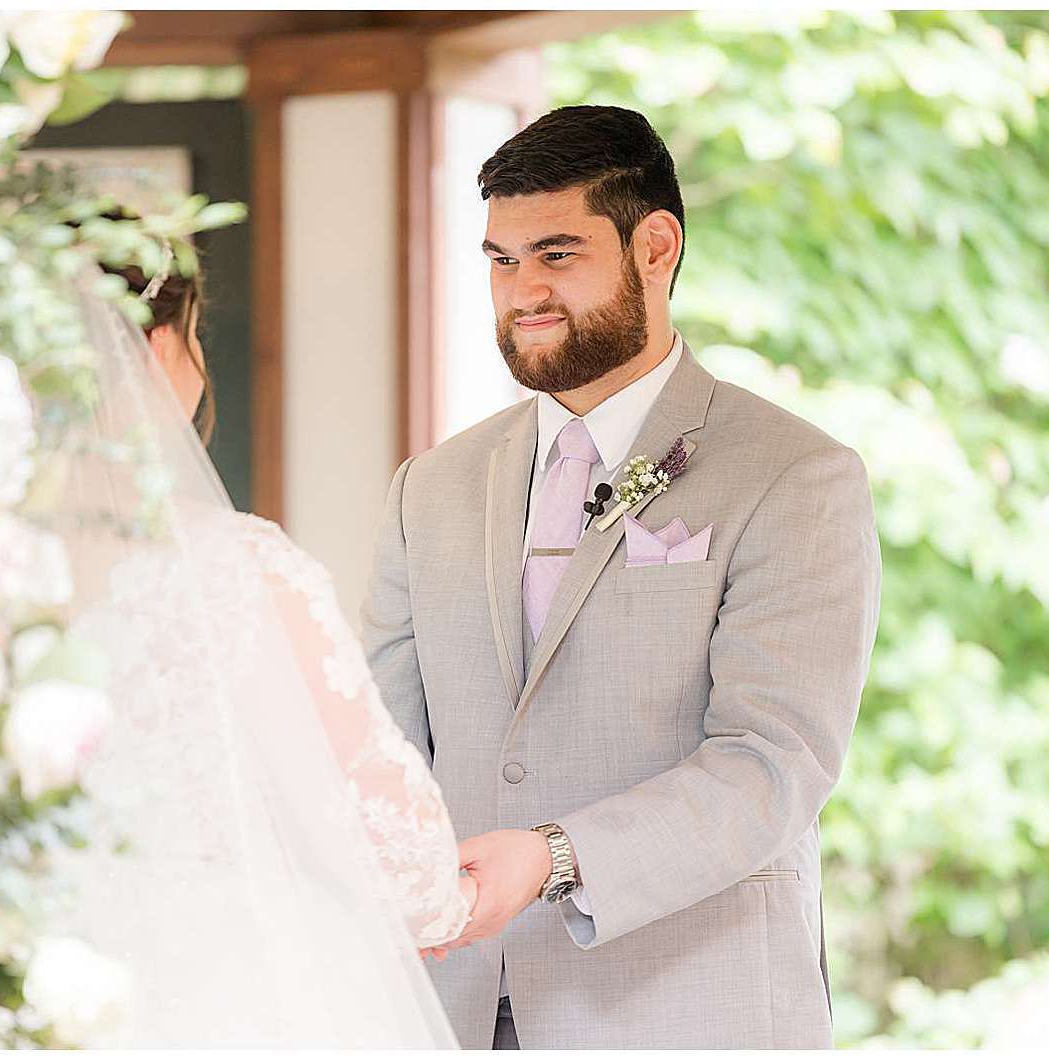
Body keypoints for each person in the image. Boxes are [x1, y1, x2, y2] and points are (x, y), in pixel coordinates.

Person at [359, 105, 883, 1048]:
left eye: (556, 256)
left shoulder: (796, 475)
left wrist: (555, 856)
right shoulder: (425, 490)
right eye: (501, 260)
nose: (522, 292)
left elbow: (773, 767)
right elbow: (384, 754)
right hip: (456, 1013)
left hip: (689, 1010)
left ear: (656, 245)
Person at [32, 253, 474, 1046]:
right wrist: (446, 897)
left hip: (32, 979)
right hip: (230, 987)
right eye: (195, 336)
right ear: (160, 349)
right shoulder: (242, 570)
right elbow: (392, 839)